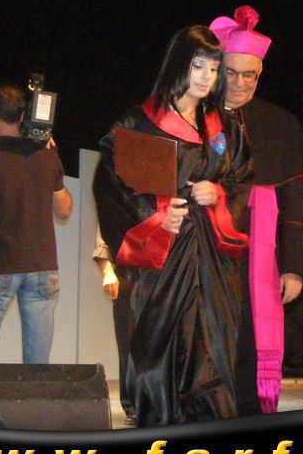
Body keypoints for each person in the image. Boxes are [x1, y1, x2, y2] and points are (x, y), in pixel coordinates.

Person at [93, 25, 253, 426]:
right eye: (198, 66)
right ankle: (158, 416)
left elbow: (242, 178)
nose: (206, 77)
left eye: (213, 69)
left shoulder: (224, 126)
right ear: (178, 64)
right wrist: (156, 212)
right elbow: (111, 184)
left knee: (212, 337)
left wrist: (218, 193)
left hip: (211, 251)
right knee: (158, 338)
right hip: (162, 252)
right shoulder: (139, 123)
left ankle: (209, 416)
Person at [209, 5, 303, 413]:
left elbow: (295, 204)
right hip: (205, 253)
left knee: (249, 348)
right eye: (231, 73)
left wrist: (294, 267)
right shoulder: (195, 115)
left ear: (260, 74)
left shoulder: (279, 123)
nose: (239, 83)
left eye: (249, 75)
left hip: (257, 260)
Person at [0, 83, 73, 364]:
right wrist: (52, 158)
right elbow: (64, 210)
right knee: (37, 360)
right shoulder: (47, 157)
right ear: (22, 117)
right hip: (42, 266)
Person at [92, 226, 136, 426]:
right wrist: (108, 271)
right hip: (129, 274)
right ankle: (134, 404)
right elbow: (104, 240)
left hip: (168, 274)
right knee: (128, 342)